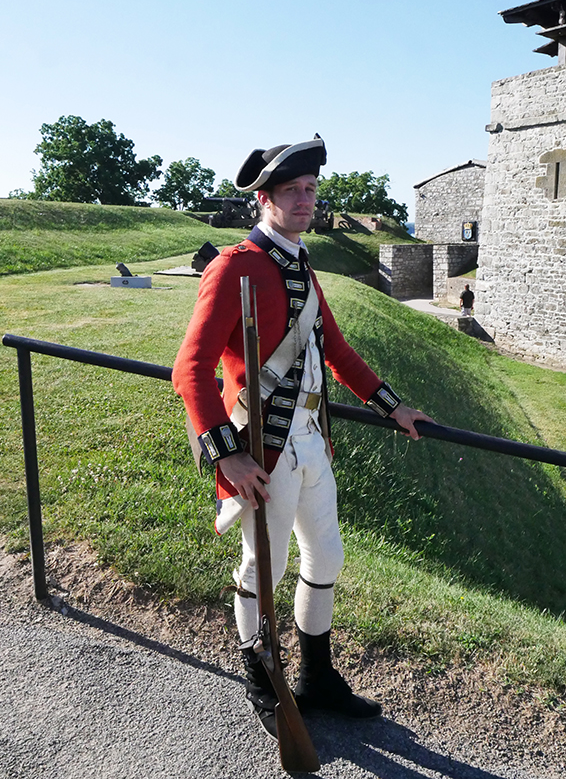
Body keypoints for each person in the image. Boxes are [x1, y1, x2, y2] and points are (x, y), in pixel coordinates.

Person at [172, 135, 433, 741]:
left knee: (327, 559)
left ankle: (318, 679)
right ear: (264, 199)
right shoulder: (235, 265)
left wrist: (393, 407)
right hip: (262, 450)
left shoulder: (301, 264)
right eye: (291, 190)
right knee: (263, 566)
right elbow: (190, 368)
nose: (304, 200)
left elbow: (336, 351)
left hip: (313, 441)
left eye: (310, 189)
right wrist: (226, 453)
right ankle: (262, 679)